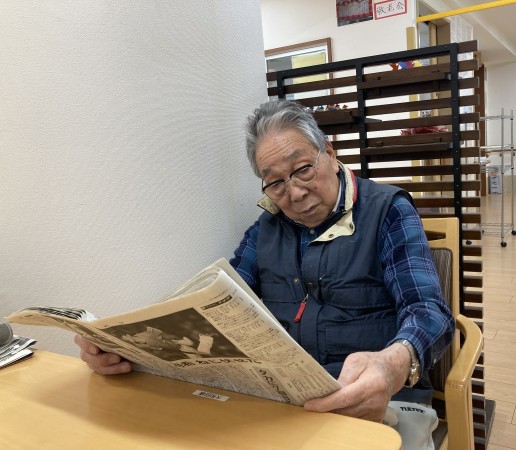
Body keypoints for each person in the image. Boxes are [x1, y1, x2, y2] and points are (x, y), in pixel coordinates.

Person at [74, 100, 454, 450]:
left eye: (302, 169)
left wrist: (392, 365)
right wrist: (125, 349)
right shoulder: (266, 228)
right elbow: (219, 305)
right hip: (283, 404)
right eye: (275, 182)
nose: (295, 193)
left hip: (374, 399)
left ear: (329, 153)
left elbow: (429, 312)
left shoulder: (388, 211)